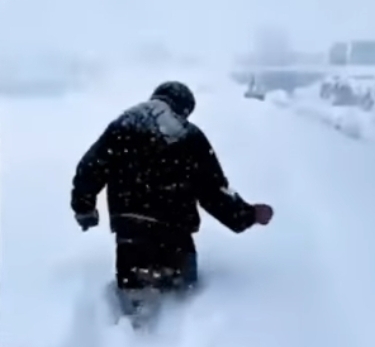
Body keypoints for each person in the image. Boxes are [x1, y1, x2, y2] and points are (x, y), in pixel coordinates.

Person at [70, 81, 274, 305]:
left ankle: (130, 325)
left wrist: (84, 208)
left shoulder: (122, 126)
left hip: (129, 231)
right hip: (174, 233)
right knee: (180, 298)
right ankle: (178, 327)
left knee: (133, 294)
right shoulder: (190, 136)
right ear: (184, 108)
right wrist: (247, 215)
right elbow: (213, 191)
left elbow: (90, 168)